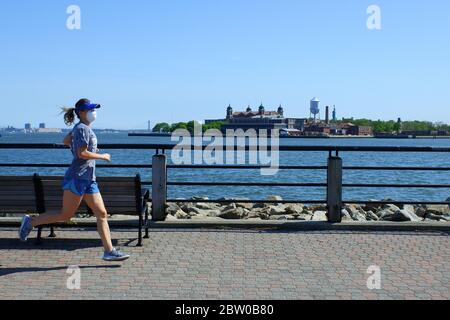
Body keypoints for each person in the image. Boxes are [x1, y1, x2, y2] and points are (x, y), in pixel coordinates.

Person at [19, 99, 130, 262]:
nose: (94, 112)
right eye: (91, 109)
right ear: (81, 112)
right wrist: (102, 156)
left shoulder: (81, 128)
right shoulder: (82, 129)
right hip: (77, 179)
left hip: (88, 179)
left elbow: (65, 141)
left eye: (94, 109)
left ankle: (109, 251)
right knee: (66, 214)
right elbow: (81, 154)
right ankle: (31, 222)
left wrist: (76, 137)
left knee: (102, 214)